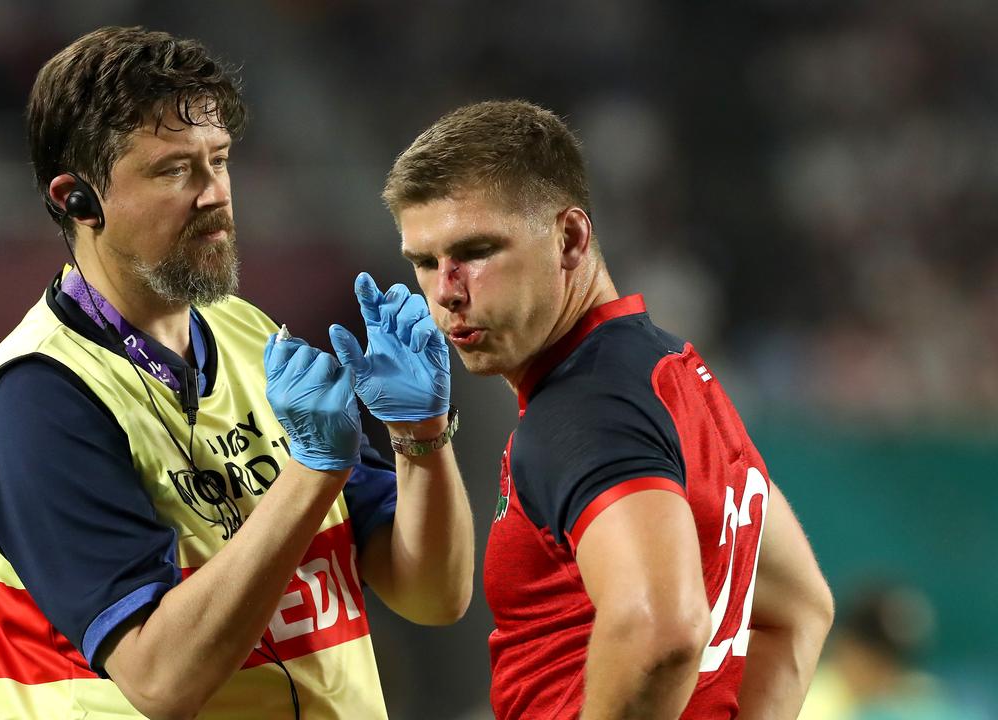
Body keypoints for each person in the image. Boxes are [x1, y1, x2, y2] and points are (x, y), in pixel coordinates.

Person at [0, 27, 473, 720]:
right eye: (173, 171)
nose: (214, 194)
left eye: (219, 160)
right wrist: (312, 471)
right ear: (77, 199)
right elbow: (160, 677)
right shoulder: (37, 398)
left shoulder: (249, 333)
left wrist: (420, 438)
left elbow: (431, 594)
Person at [379, 99, 835, 719]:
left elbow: (663, 631)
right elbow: (799, 608)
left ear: (569, 239)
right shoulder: (670, 371)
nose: (445, 291)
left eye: (476, 251)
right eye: (424, 262)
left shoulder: (582, 413)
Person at [800, 582, 986, 720]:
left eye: (895, 660)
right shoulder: (809, 704)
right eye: (875, 659)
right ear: (846, 645)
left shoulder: (918, 695)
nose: (887, 672)